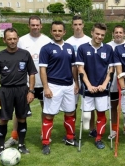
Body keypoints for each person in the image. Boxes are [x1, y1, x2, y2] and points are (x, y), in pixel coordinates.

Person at [5, 16, 51, 148]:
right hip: (24, 83)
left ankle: (44, 133)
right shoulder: (22, 40)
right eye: (32, 25)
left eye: (37, 25)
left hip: (43, 82)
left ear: (41, 26)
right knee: (19, 110)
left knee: (46, 109)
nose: (35, 27)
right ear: (28, 26)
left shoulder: (47, 41)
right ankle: (14, 136)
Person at [0, 28, 37, 157]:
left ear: (18, 39)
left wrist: (31, 91)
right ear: (4, 40)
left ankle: (21, 145)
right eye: (9, 39)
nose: (12, 41)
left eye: (14, 38)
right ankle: (0, 147)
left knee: (22, 117)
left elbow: (32, 73)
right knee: (3, 120)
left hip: (22, 90)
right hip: (5, 91)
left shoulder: (25, 54)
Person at [39, 21, 79, 155]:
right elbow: (42, 69)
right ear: (51, 32)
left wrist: (76, 83)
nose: (57, 33)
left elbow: (74, 67)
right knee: (49, 115)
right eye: (54, 30)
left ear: (64, 32)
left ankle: (70, 138)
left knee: (70, 113)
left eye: (59, 31)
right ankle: (45, 142)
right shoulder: (46, 48)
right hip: (53, 86)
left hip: (69, 85)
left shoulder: (69, 47)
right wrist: (46, 87)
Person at [76, 23, 115, 149]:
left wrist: (104, 84)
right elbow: (80, 69)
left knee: (101, 114)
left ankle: (99, 138)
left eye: (102, 35)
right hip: (88, 89)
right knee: (86, 117)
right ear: (92, 33)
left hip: (102, 90)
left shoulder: (108, 49)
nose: (99, 37)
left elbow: (111, 69)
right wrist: (88, 85)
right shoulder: (82, 48)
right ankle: (91, 131)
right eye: (97, 34)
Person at [65, 15, 94, 138]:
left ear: (83, 25)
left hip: (88, 78)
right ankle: (72, 131)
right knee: (72, 106)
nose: (77, 27)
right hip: (73, 79)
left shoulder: (89, 41)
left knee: (91, 105)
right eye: (75, 24)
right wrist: (75, 81)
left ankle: (92, 129)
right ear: (72, 26)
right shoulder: (68, 42)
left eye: (79, 24)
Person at [107, 25, 125, 139]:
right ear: (113, 33)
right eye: (116, 32)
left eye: (121, 32)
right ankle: (114, 129)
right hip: (113, 83)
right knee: (113, 106)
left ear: (124, 34)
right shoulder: (108, 46)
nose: (118, 34)